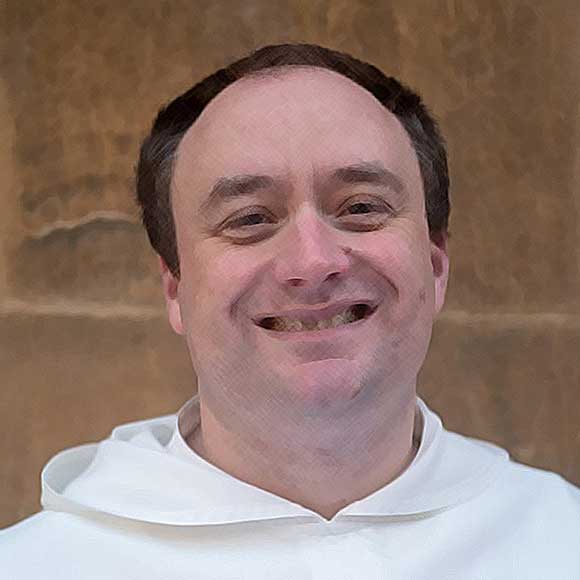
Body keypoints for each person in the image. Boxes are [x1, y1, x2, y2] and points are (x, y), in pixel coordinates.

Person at [1, 43, 579, 579]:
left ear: (435, 265)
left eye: (360, 207)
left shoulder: (560, 539)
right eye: (250, 219)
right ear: (175, 288)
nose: (313, 261)